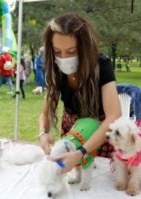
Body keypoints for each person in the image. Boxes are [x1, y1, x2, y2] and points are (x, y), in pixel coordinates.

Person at [38, 13, 121, 174]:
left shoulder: (101, 66)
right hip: (72, 133)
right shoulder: (56, 69)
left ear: (84, 48)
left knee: (97, 183)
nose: (63, 58)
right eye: (57, 51)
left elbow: (114, 115)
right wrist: (43, 133)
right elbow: (44, 112)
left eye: (71, 51)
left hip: (101, 135)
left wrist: (81, 152)